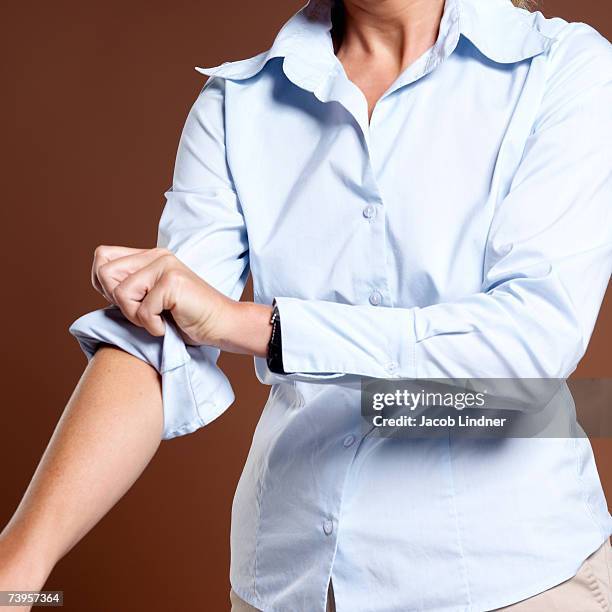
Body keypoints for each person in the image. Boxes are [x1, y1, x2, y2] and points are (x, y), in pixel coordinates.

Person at [1, 0, 611, 610]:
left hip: (516, 581)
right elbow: (157, 337)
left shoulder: (564, 69)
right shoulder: (236, 103)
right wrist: (21, 561)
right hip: (296, 582)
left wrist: (258, 327)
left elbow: (527, 347)